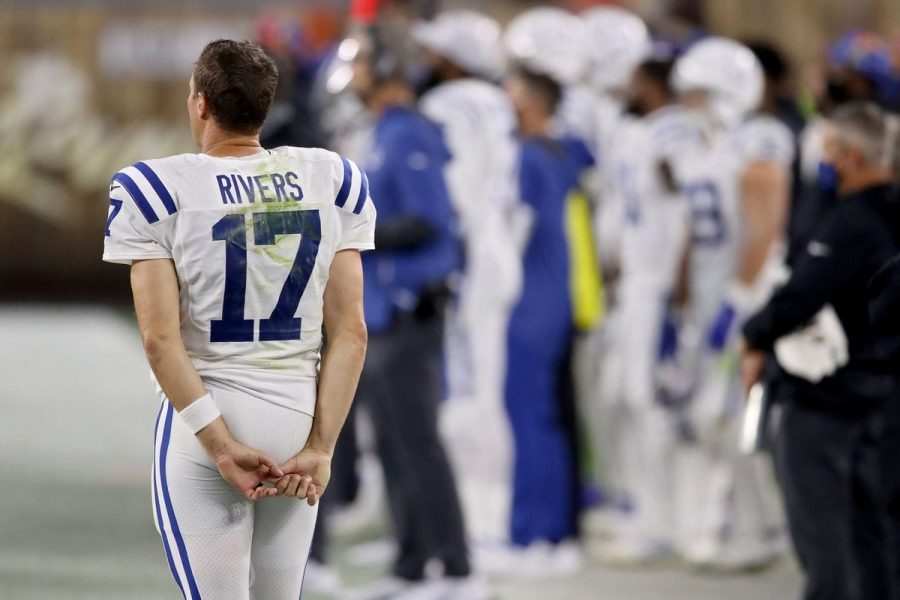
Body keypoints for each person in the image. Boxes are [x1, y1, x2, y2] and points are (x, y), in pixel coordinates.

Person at [102, 39, 374, 599]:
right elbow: (351, 331)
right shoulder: (329, 177)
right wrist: (321, 447)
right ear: (264, 107)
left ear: (200, 104)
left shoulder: (155, 187)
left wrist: (222, 445)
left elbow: (159, 340)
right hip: (298, 421)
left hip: (208, 420)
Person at [343, 24, 484, 599]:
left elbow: (430, 219)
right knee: (395, 442)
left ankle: (457, 569)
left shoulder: (410, 133)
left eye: (361, 65)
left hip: (411, 307)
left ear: (384, 68)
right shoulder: (384, 131)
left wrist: (350, 229)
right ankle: (411, 563)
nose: (353, 77)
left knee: (419, 440)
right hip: (382, 309)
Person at [742, 102, 900, 600]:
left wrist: (755, 334)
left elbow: (800, 295)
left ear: (850, 157)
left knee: (825, 533)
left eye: (830, 150)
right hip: (885, 394)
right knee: (875, 530)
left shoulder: (851, 222)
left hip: (829, 399)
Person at [670, 37, 792, 569]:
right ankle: (746, 525)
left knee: (745, 419)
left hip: (751, 298)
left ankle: (767, 528)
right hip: (714, 296)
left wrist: (738, 300)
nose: (689, 106)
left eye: (699, 94)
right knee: (719, 421)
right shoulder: (709, 147)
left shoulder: (758, 141)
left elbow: (765, 227)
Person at [412, 10, 521, 545]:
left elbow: (449, 193)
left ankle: (477, 526)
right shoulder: (498, 102)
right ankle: (473, 521)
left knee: (466, 390)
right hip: (496, 246)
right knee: (481, 387)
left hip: (469, 253)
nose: (428, 61)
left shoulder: (444, 104)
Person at [496, 63, 597, 576]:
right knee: (543, 418)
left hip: (533, 303)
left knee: (531, 418)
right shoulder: (561, 152)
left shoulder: (532, 157)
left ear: (532, 104)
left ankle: (540, 533)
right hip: (556, 298)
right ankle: (540, 529)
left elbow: (514, 234)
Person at [598, 58, 701, 562]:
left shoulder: (676, 132)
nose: (628, 89)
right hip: (636, 283)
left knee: (655, 405)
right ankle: (645, 511)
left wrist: (680, 277)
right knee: (625, 399)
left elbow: (691, 206)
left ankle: (670, 520)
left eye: (637, 80)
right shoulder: (638, 131)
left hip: (660, 284)